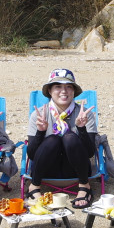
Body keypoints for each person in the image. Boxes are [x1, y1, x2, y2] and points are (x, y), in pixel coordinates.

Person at [26, 68, 96, 208]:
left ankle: (84, 186)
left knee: (70, 137)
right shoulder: (38, 115)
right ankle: (34, 187)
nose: (64, 91)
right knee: (53, 139)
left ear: (74, 92)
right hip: (46, 168)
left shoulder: (84, 114)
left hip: (77, 169)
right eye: (58, 87)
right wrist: (40, 132)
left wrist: (81, 129)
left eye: (68, 87)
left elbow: (90, 153)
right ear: (50, 91)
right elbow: (32, 155)